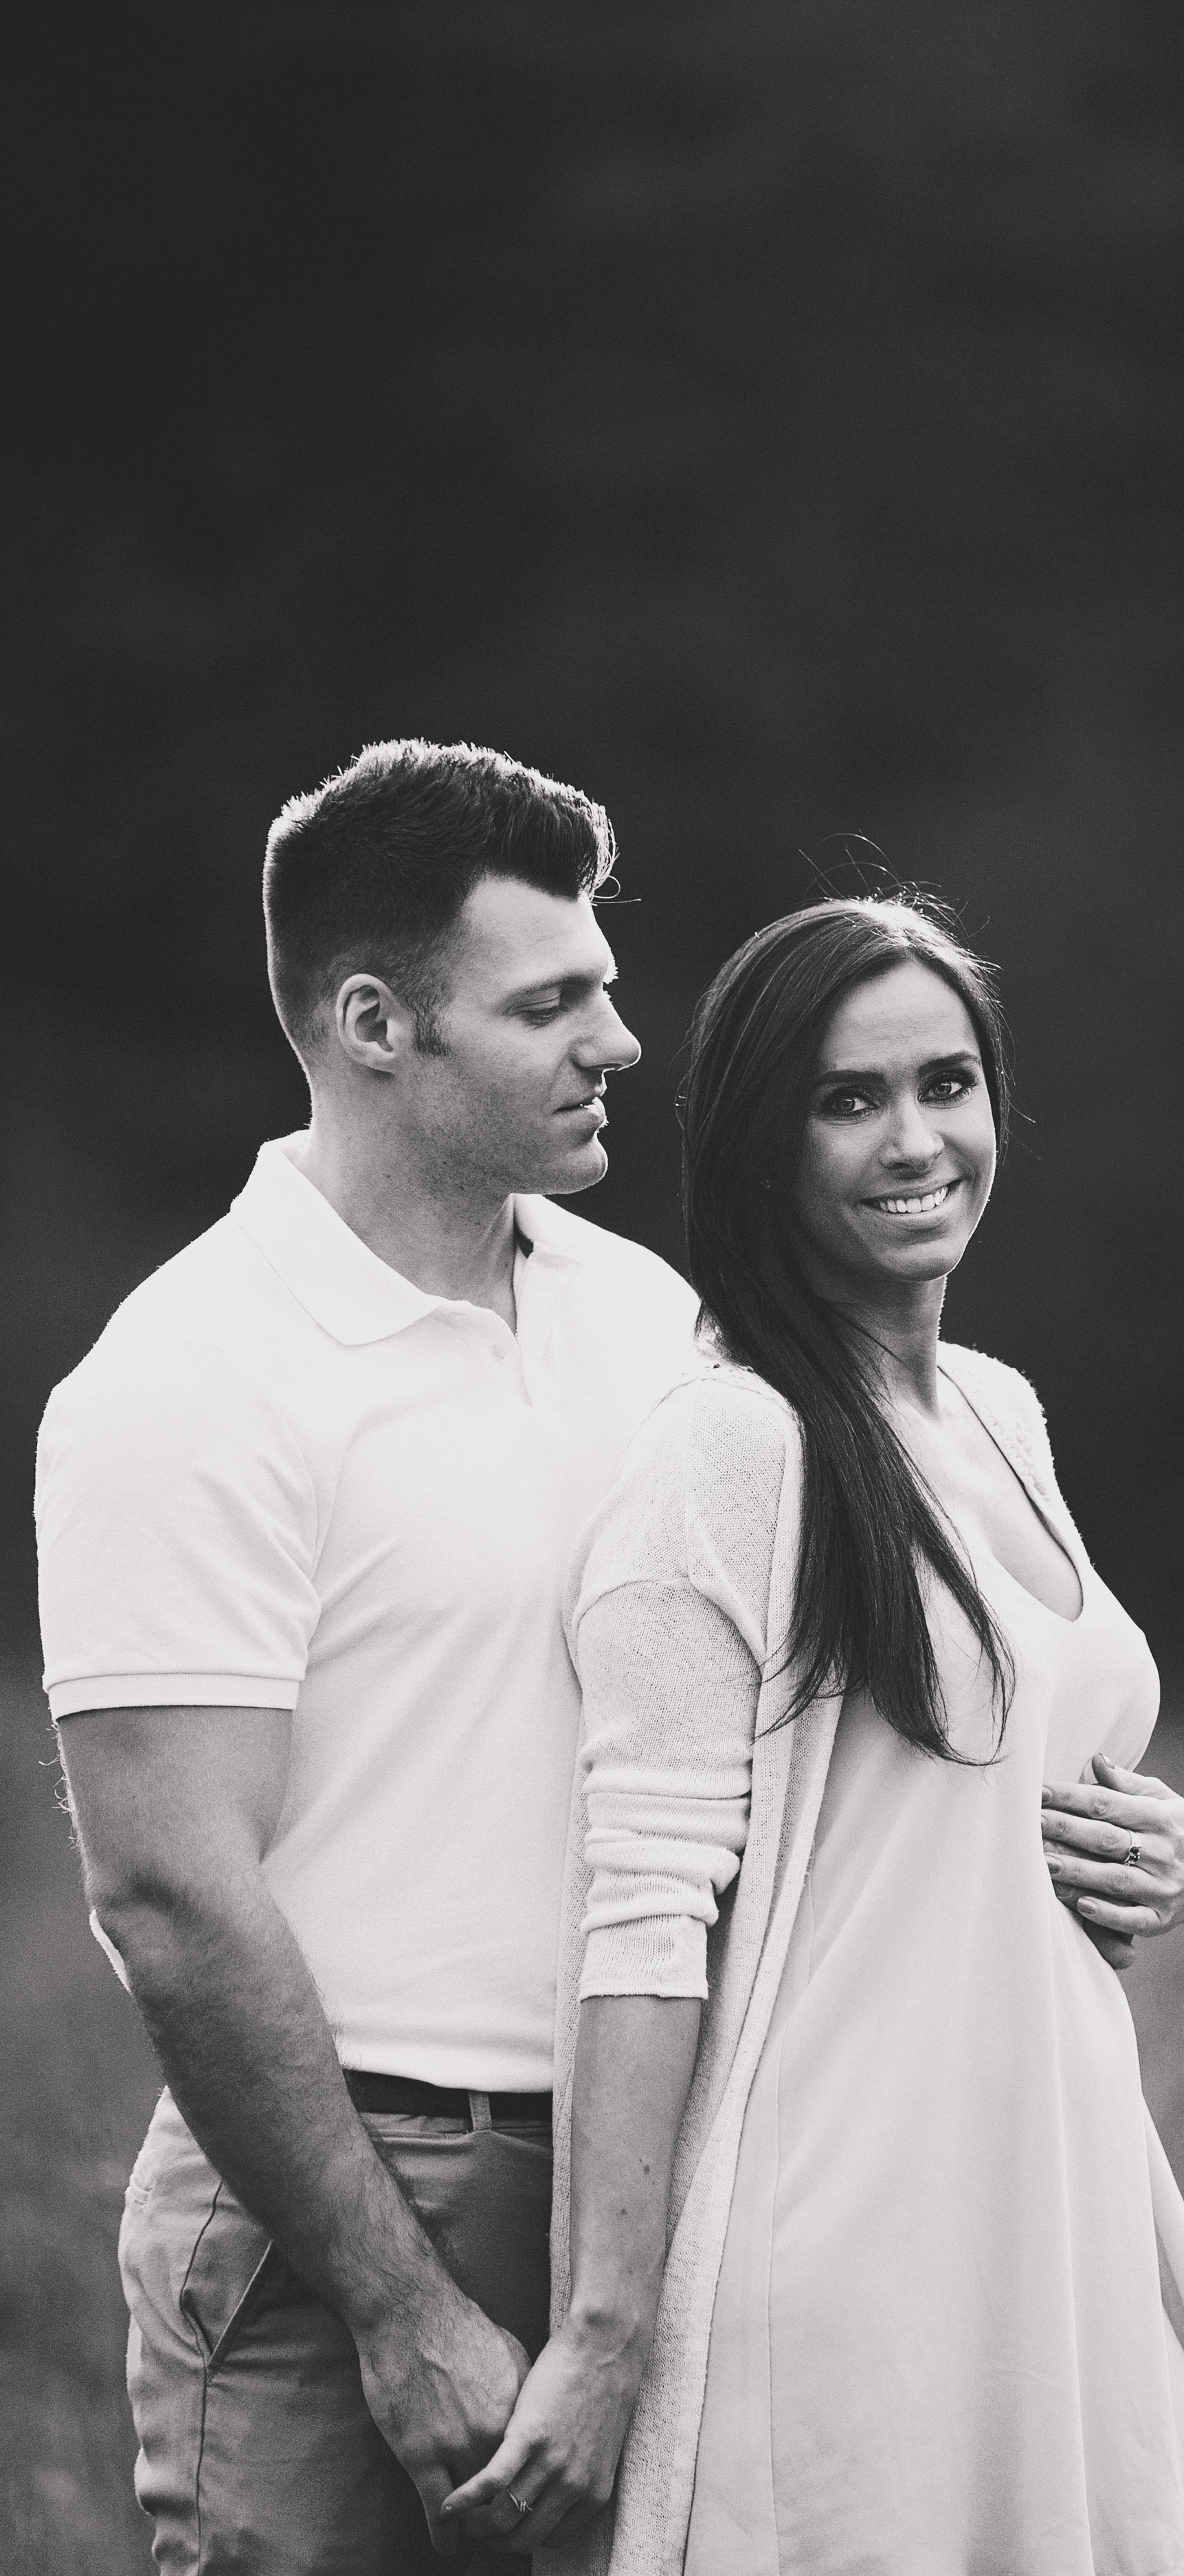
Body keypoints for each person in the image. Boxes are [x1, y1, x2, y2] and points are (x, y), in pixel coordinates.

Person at [445, 897, 1184, 2574]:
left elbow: (987, 1789)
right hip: (850, 2263)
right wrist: (604, 2337)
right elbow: (641, 1915)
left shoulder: (995, 1410)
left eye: (945, 1083)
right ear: (760, 1144)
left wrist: (1178, 1859)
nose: (914, 1140)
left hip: (1052, 2201)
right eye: (846, 1101)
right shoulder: (727, 1447)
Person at [34, 740, 704, 2572]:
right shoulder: (189, 1378)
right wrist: (398, 2301)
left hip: (641, 2178)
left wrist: (1074, 1814)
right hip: (339, 2199)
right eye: (548, 1003)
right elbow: (171, 1892)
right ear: (373, 1024)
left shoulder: (647, 1319)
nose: (618, 1040)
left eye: (604, 987)